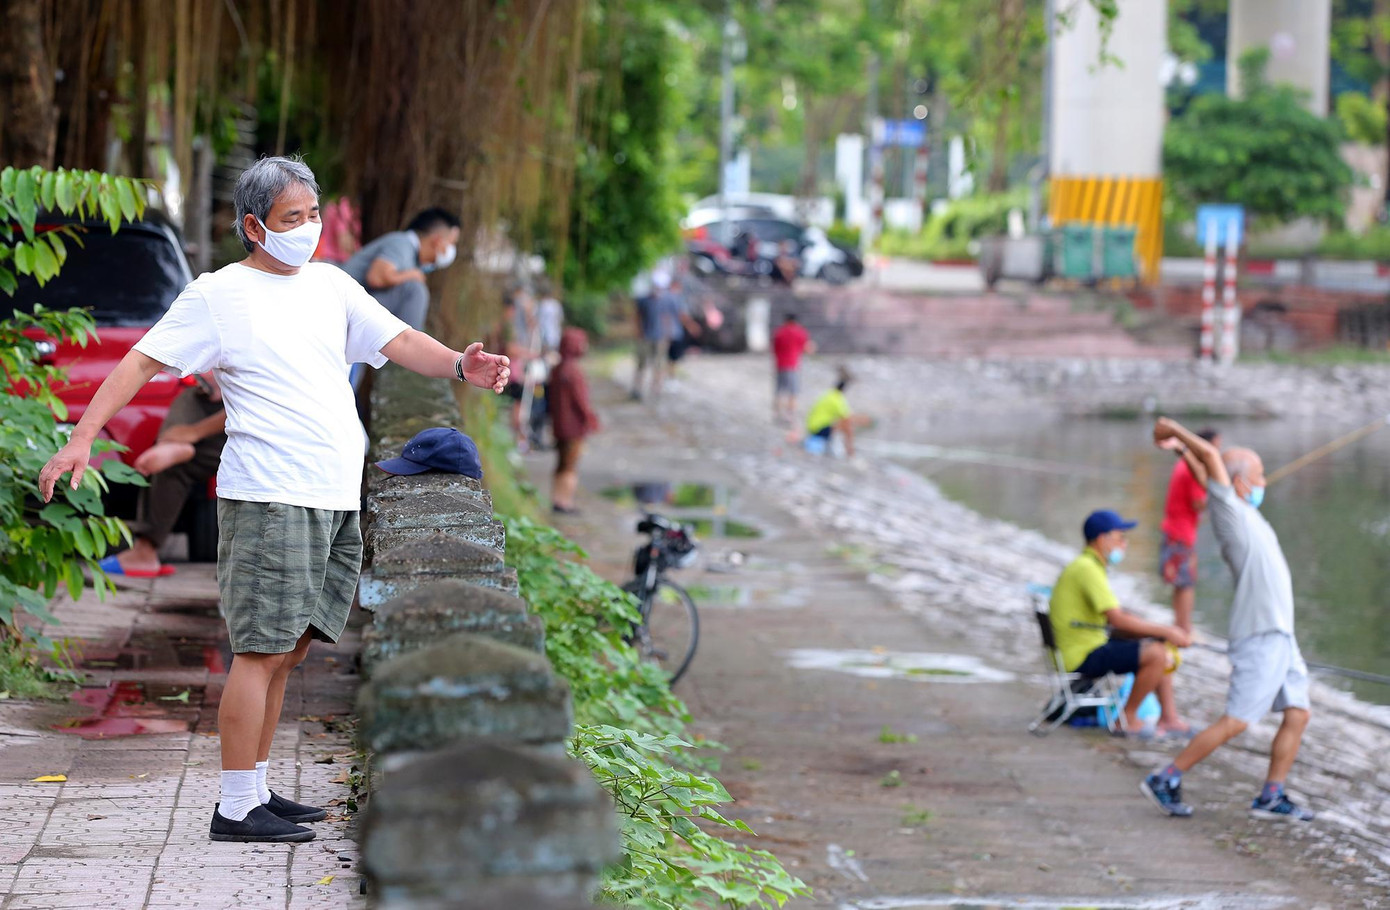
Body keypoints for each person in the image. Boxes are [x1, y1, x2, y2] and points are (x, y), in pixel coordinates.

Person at [38, 156, 509, 844]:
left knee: (290, 649)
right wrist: (80, 438)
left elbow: (398, 338)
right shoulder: (217, 294)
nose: (309, 229)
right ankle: (233, 808)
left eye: (314, 214)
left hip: (331, 494)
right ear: (255, 226)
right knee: (259, 650)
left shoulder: (330, 286)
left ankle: (254, 788)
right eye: (294, 219)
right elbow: (141, 360)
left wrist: (459, 365)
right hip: (269, 496)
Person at [1142, 417, 1314, 822]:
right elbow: (1212, 460)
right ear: (1237, 483)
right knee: (1236, 721)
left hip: (1281, 636)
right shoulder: (1230, 513)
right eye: (1258, 475)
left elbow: (1205, 468)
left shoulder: (1238, 508)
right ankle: (1166, 777)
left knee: (1299, 712)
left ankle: (1272, 795)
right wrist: (1176, 431)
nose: (1265, 481)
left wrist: (1182, 451)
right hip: (1260, 636)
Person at [1049, 509, 1191, 736]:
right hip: (1082, 654)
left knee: (1157, 644)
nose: (1124, 543)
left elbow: (1114, 617)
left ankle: (1169, 718)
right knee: (1156, 654)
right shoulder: (1087, 568)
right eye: (1119, 537)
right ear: (1102, 539)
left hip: (1083, 647)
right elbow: (1117, 618)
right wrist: (1167, 630)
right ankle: (1127, 720)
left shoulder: (1088, 565)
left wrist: (1159, 633)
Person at [97, 374, 228, 577]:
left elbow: (252, 404)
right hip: (216, 405)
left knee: (172, 461)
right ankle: (173, 447)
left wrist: (194, 432)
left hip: (252, 429)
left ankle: (176, 447)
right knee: (171, 462)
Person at [341, 207, 461, 330]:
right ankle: (410, 347)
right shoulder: (402, 244)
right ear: (437, 241)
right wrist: (411, 275)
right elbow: (376, 277)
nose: (452, 250)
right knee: (415, 290)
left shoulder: (413, 259)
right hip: (341, 304)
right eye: (452, 243)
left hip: (352, 307)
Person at [1159, 427, 1221, 634]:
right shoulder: (1193, 470)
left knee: (1180, 582)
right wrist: (1221, 502)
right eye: (1215, 447)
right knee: (1186, 583)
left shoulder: (1183, 464)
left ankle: (1179, 626)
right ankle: (1184, 629)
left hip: (1174, 530)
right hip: (1181, 534)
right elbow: (1197, 503)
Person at [548, 327, 600, 514]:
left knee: (561, 463)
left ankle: (557, 498)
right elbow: (580, 401)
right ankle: (565, 502)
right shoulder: (574, 372)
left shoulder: (557, 369)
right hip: (573, 427)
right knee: (570, 465)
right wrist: (590, 419)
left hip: (558, 424)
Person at [631, 271, 682, 400]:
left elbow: (669, 318)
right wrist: (638, 332)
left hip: (661, 337)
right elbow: (638, 316)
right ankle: (637, 389)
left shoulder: (669, 299)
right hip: (646, 337)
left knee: (659, 364)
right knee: (641, 364)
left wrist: (668, 335)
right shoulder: (643, 300)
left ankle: (656, 389)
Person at [804, 368, 869, 456]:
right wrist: (860, 421)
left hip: (812, 427)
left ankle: (845, 448)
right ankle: (850, 450)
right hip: (819, 429)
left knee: (844, 422)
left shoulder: (828, 394)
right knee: (846, 425)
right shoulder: (838, 399)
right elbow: (847, 417)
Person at [771, 312, 815, 424]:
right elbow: (807, 348)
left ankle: (777, 414)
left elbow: (774, 348)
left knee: (779, 391)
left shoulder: (779, 332)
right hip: (793, 365)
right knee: (793, 392)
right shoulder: (800, 332)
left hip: (780, 365)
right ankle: (789, 415)